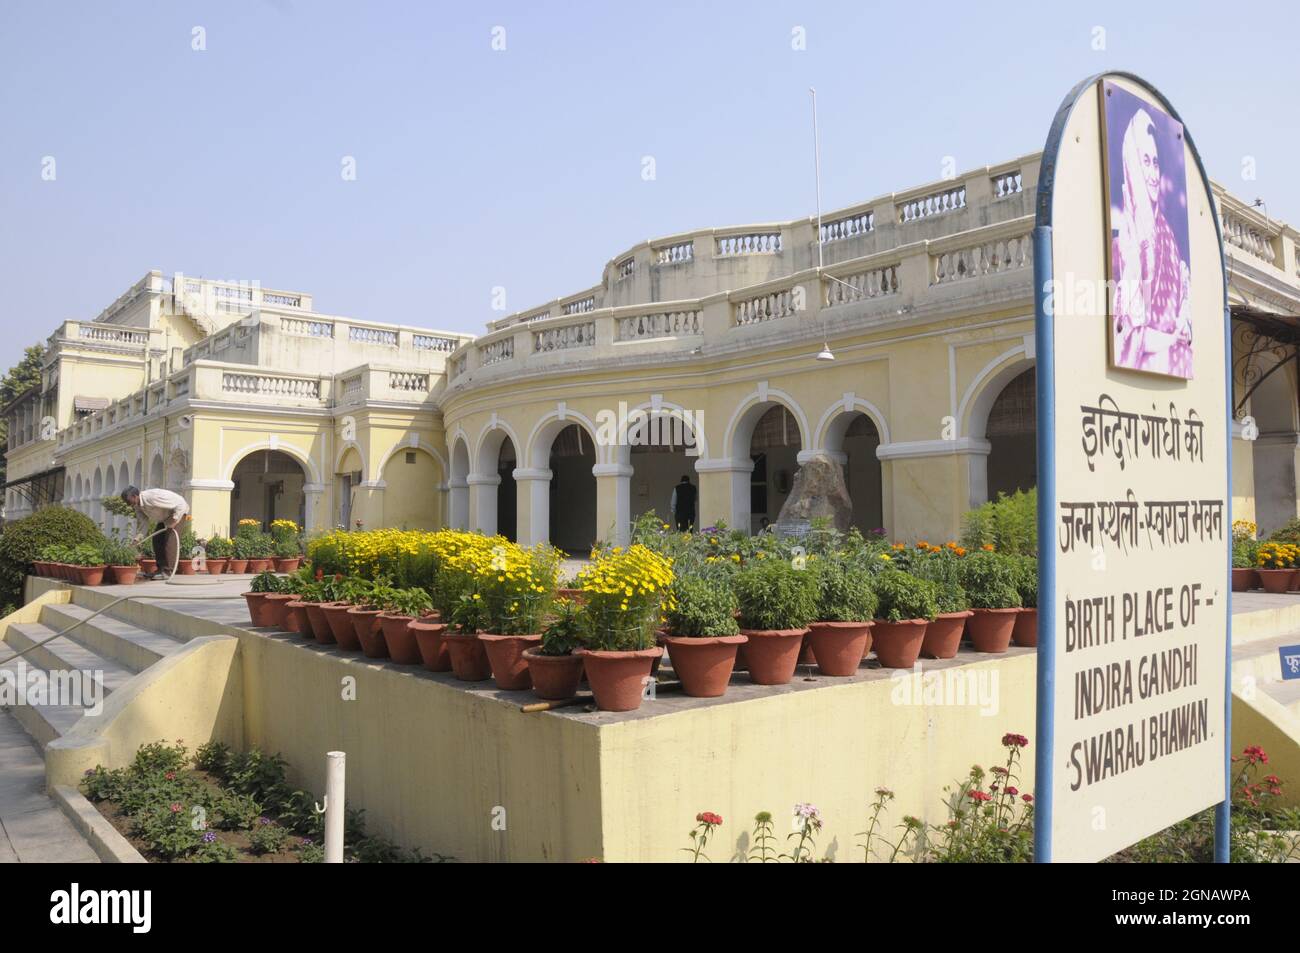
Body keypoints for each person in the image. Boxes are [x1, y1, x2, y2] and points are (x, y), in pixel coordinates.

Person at [1111, 106, 1192, 379]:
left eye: (1156, 162)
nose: (1153, 174)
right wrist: (1173, 339)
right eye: (1145, 161)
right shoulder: (1129, 237)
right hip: (1147, 373)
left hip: (1174, 371)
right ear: (1132, 164)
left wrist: (1184, 326)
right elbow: (1132, 334)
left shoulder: (1167, 235)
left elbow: (1181, 305)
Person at [120, 485, 189, 580]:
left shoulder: (152, 497)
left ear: (135, 496)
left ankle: (168, 571)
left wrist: (175, 520)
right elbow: (144, 524)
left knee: (170, 540)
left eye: (128, 501)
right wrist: (137, 540)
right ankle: (161, 569)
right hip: (164, 518)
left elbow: (180, 504)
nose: (128, 504)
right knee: (157, 539)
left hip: (178, 513)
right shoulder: (137, 506)